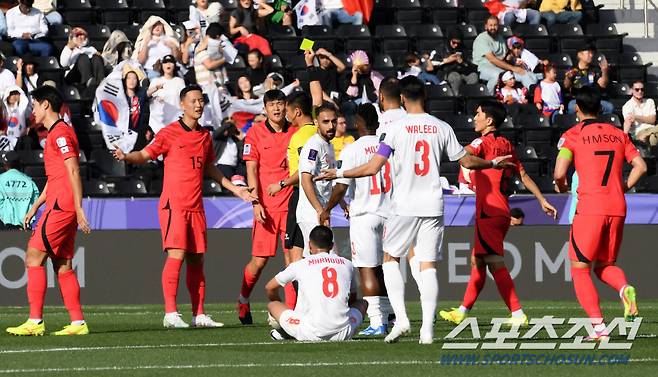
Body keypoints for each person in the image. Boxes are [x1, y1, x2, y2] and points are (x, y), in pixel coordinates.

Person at [317, 76, 515, 344]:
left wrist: (339, 171)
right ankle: (427, 331)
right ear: (425, 95)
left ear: (401, 99)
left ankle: (402, 320)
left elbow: (373, 167)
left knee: (390, 259)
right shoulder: (441, 127)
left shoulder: (396, 128)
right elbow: (467, 160)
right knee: (428, 266)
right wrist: (492, 164)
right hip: (433, 204)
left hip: (404, 205)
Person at [112, 84, 255, 328]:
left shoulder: (204, 136)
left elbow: (210, 169)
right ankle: (170, 313)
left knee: (197, 259)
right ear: (182, 104)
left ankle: (199, 314)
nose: (199, 105)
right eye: (194, 101)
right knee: (176, 255)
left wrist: (235, 189)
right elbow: (145, 155)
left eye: (201, 101)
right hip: (174, 205)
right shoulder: (168, 133)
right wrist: (127, 156)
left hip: (196, 206)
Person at [439, 100, 557, 327]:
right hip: (500, 209)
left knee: (494, 262)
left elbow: (465, 158)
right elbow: (523, 175)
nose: (474, 118)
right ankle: (462, 311)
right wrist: (542, 199)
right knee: (478, 260)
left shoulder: (481, 142)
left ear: (489, 120)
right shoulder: (505, 144)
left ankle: (517, 313)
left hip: (489, 210)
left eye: (478, 113)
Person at [553, 85, 646, 340]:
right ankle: (624, 288)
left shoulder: (572, 135)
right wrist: (623, 187)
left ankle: (599, 329)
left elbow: (560, 173)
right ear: (600, 108)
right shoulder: (619, 135)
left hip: (590, 208)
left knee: (580, 269)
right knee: (605, 265)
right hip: (617, 207)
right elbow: (641, 166)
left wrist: (561, 188)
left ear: (577, 109)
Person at [6, 85, 91, 336]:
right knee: (62, 265)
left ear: (46, 105)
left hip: (62, 206)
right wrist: (35, 206)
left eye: (34, 105)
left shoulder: (60, 133)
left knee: (33, 257)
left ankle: (35, 321)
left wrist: (78, 208)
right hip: (57, 201)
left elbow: (74, 171)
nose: (32, 110)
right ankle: (78, 323)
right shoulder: (56, 133)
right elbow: (56, 177)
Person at [320, 103, 392, 335]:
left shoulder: (352, 149)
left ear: (359, 122)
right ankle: (389, 314)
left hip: (364, 213)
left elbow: (341, 187)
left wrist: (327, 208)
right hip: (390, 213)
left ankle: (376, 321)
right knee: (386, 268)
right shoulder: (389, 147)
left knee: (367, 269)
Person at [237, 89, 298, 325]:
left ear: (286, 106)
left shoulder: (295, 132)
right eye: (272, 104)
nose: (276, 108)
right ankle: (243, 299)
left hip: (290, 205)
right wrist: (255, 202)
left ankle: (291, 312)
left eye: (280, 103)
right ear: (264, 108)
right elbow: (251, 170)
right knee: (259, 261)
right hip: (266, 207)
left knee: (291, 261)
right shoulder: (255, 133)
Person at [266, 225, 367, 341]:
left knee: (272, 305)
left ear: (309, 245)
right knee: (363, 303)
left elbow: (269, 287)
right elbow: (352, 300)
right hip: (343, 333)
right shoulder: (347, 264)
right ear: (332, 246)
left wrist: (279, 304)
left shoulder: (300, 265)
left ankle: (283, 332)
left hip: (308, 332)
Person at [297, 103, 338, 256]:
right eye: (325, 122)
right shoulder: (314, 146)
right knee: (324, 259)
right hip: (311, 212)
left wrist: (342, 203)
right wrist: (319, 210)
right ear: (316, 123)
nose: (331, 126)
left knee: (325, 260)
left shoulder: (329, 145)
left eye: (333, 121)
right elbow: (305, 179)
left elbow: (329, 180)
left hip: (321, 212)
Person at [473, 16, 537, 94]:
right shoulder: (481, 39)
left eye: (495, 25)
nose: (493, 27)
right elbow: (492, 59)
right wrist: (513, 68)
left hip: (501, 67)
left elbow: (504, 57)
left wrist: (511, 59)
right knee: (497, 76)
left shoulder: (500, 38)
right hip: (483, 67)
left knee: (527, 74)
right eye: (491, 25)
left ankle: (533, 95)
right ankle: (489, 98)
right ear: (486, 26)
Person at [564, 44, 613, 114]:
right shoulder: (572, 69)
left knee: (609, 107)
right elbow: (566, 86)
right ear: (580, 55)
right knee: (571, 107)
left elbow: (602, 85)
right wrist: (568, 78)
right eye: (589, 53)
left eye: (592, 53)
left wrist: (604, 71)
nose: (591, 55)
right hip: (578, 100)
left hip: (593, 99)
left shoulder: (595, 69)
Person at [60, 27, 106, 95]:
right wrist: (70, 47)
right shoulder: (70, 48)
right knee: (83, 57)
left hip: (92, 74)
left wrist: (100, 56)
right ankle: (87, 81)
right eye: (78, 35)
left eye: (82, 35)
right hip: (74, 75)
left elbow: (102, 63)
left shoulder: (91, 48)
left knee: (97, 58)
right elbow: (64, 63)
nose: (81, 37)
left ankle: (101, 82)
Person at [0, 151, 39, 230]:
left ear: (5, 164)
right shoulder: (29, 181)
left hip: (4, 226)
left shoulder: (1, 179)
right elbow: (35, 203)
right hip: (25, 226)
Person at [148, 54, 186, 134]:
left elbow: (184, 100)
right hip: (157, 123)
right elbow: (148, 97)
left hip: (175, 121)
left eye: (171, 62)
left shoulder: (179, 81)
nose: (168, 64)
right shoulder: (155, 81)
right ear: (161, 65)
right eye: (165, 62)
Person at [439, 29, 479, 96]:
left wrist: (462, 62)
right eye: (454, 42)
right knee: (455, 77)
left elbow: (470, 63)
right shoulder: (441, 48)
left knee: (473, 76)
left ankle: (469, 98)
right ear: (449, 40)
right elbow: (433, 63)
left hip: (463, 71)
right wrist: (447, 60)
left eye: (458, 43)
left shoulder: (463, 48)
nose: (456, 45)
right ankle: (456, 98)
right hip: (448, 71)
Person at [623, 80, 658, 146]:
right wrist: (625, 137)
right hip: (639, 133)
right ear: (632, 91)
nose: (640, 92)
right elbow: (628, 122)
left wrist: (636, 117)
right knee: (653, 138)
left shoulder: (650, 101)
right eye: (637, 89)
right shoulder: (627, 106)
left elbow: (652, 120)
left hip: (652, 130)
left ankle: (647, 134)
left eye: (642, 89)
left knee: (653, 136)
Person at [194, 23, 227, 92]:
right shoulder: (201, 49)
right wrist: (225, 59)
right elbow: (209, 65)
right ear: (217, 36)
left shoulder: (215, 49)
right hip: (208, 89)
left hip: (220, 88)